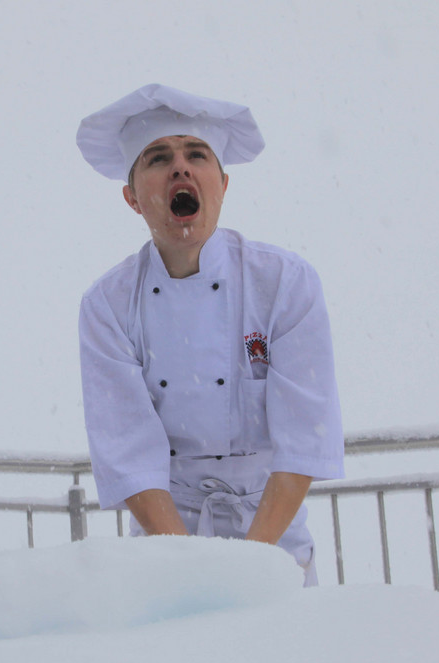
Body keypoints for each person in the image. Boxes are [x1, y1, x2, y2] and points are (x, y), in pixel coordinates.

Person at [76, 84, 344, 585]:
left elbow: (304, 439)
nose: (180, 167)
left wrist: (249, 568)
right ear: (133, 198)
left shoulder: (284, 282)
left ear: (222, 183)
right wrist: (191, 571)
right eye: (157, 157)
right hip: (166, 544)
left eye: (196, 154)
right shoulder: (107, 306)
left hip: (273, 537)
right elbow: (129, 454)